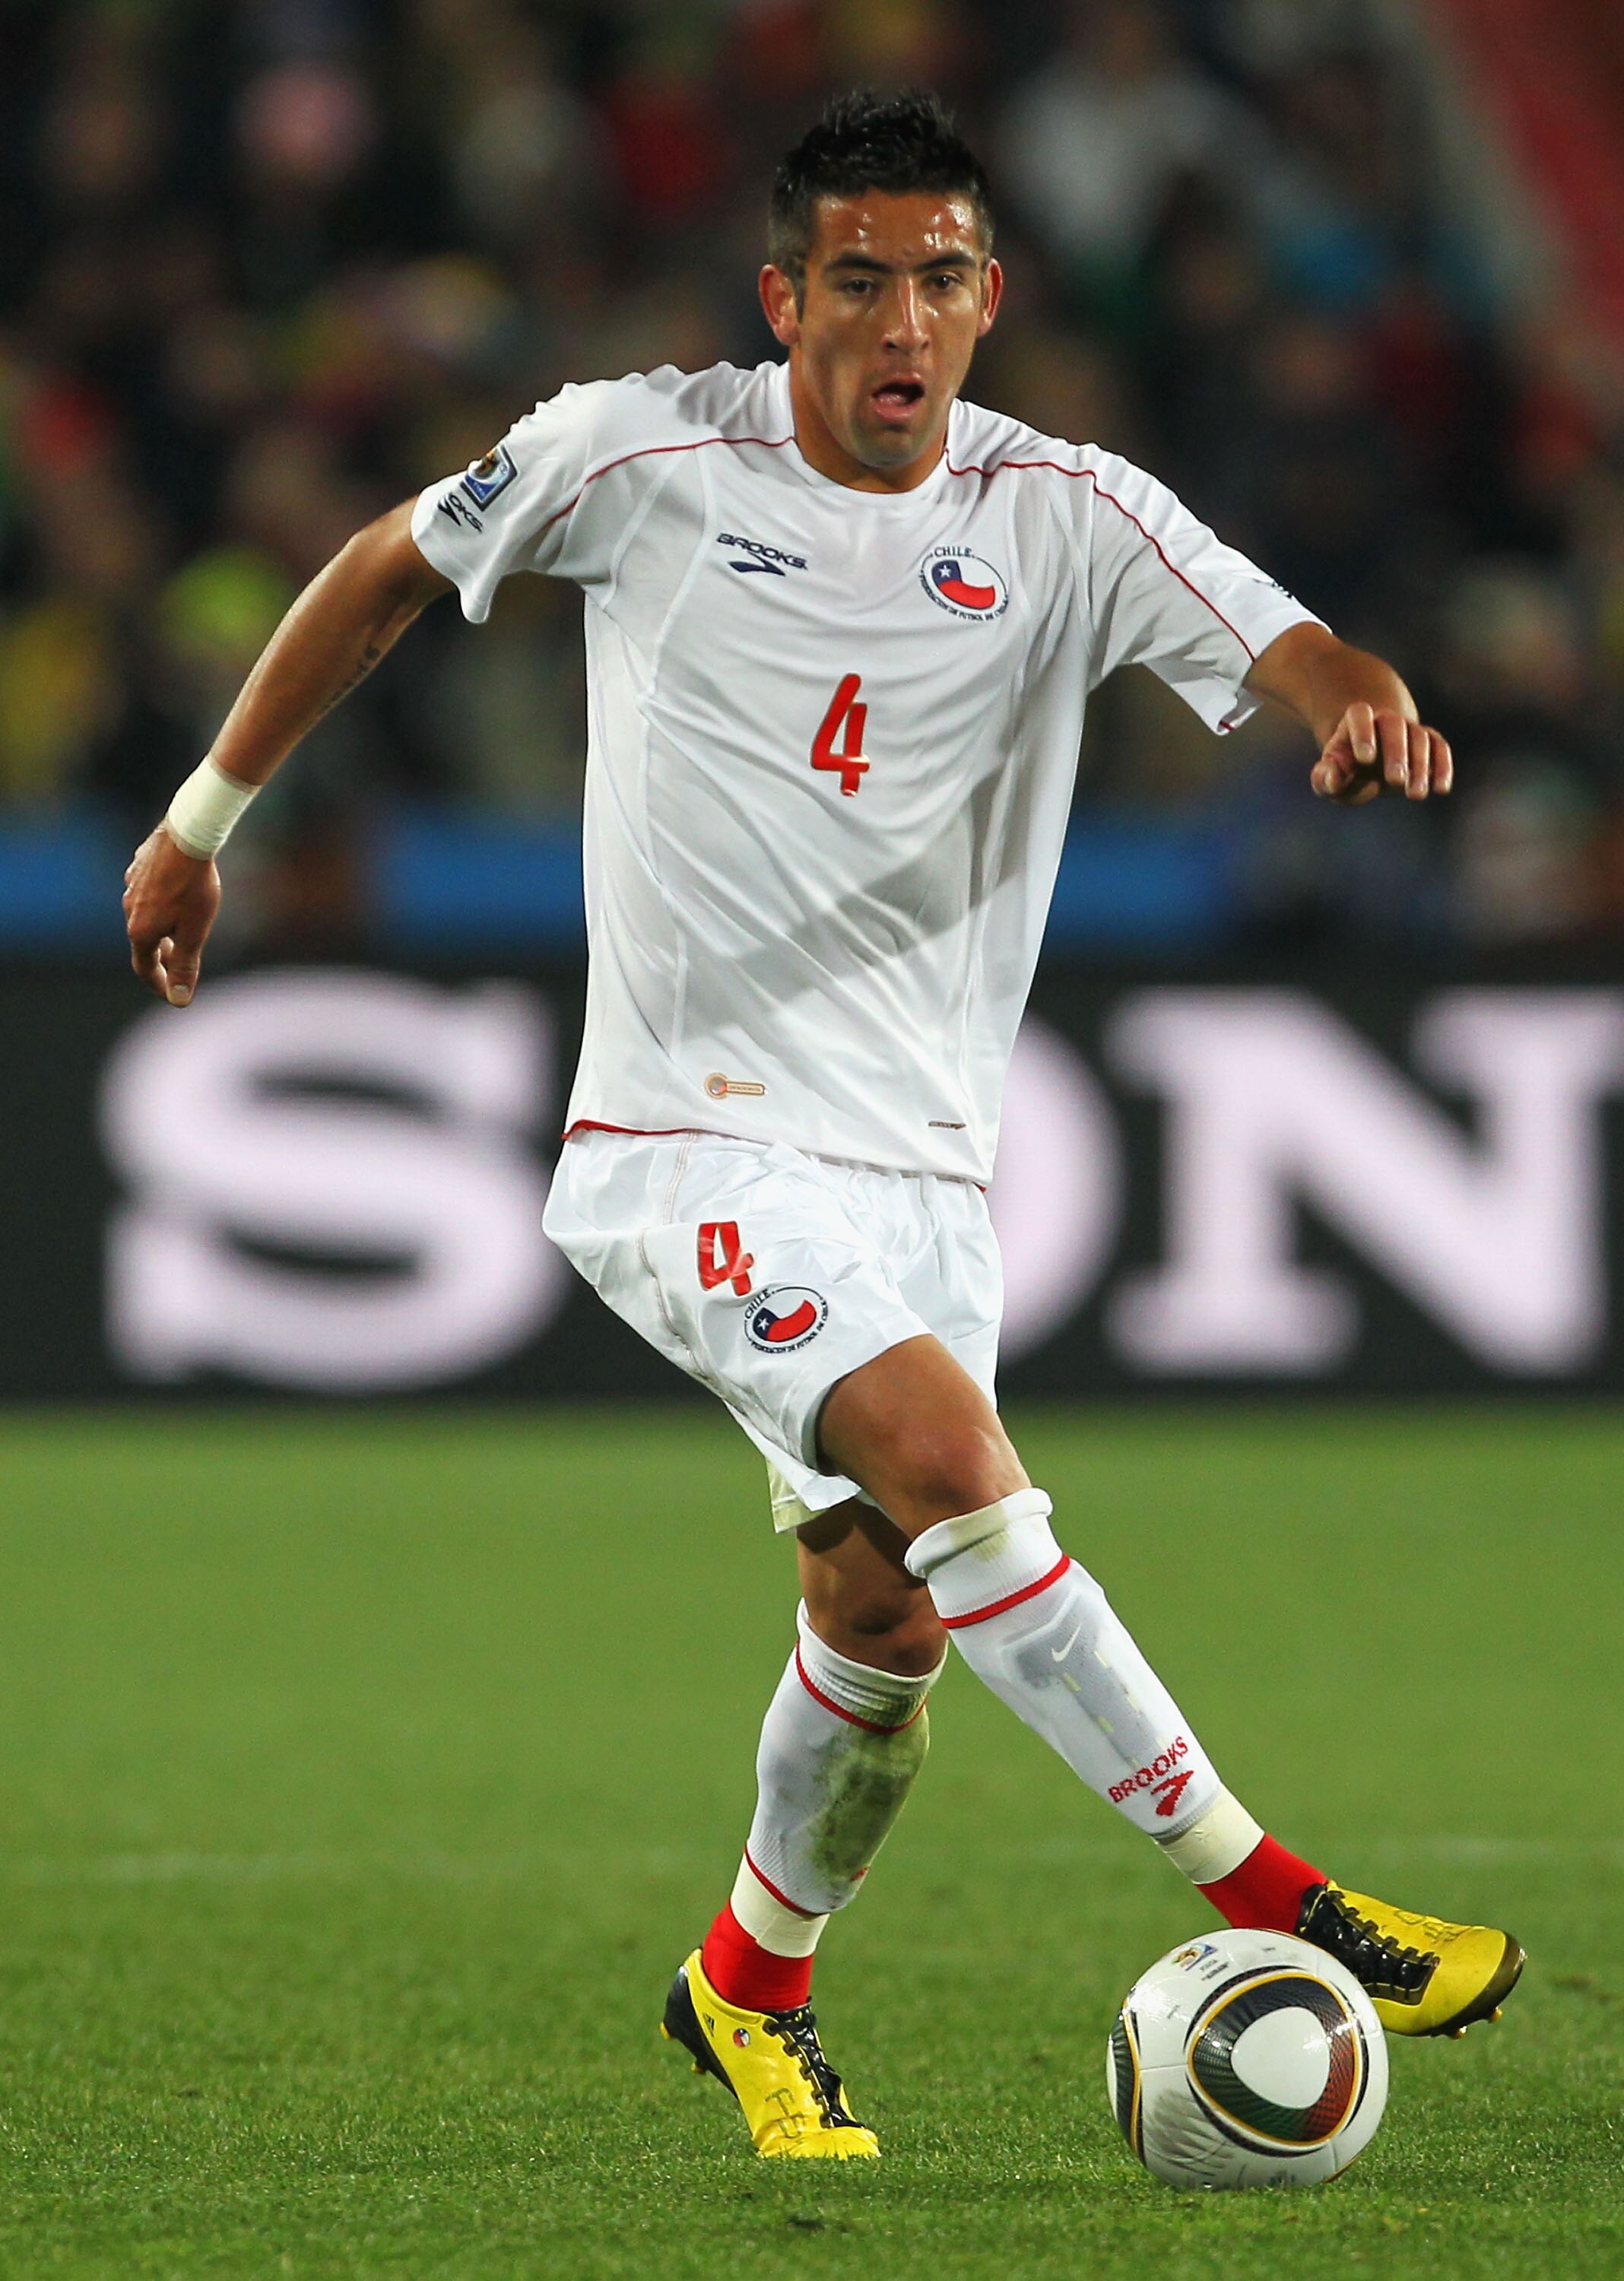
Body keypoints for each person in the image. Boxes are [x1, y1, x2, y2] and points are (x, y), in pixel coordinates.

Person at [123, 89, 1524, 2163]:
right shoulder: (635, 450)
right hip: (684, 1142)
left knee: (881, 1620)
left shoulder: (1067, 512)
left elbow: (1294, 644)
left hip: (922, 1172)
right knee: (958, 1468)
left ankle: (745, 1990)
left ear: (989, 298)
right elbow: (383, 569)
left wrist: (1361, 706)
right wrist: (197, 822)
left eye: (939, 277)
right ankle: (1281, 1895)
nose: (899, 319)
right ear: (784, 298)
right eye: (855, 278)